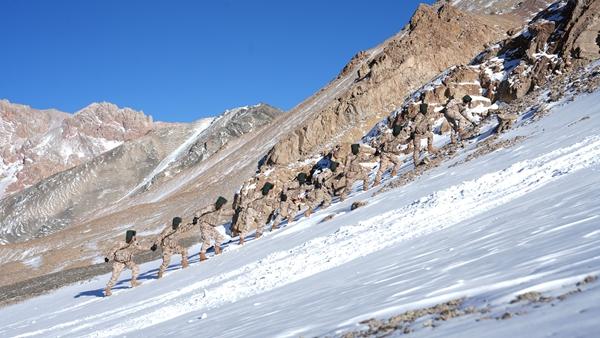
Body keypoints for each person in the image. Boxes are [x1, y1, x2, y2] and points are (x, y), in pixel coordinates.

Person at [103, 230, 147, 296]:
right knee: (115, 276)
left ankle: (133, 282)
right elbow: (113, 249)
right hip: (119, 262)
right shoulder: (121, 243)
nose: (135, 237)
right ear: (130, 236)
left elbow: (140, 247)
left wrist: (150, 248)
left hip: (127, 260)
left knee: (135, 268)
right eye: (133, 236)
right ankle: (108, 289)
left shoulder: (134, 243)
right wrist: (108, 257)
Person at [193, 196, 234, 261]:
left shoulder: (220, 210)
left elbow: (227, 212)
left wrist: (236, 211)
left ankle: (217, 250)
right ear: (220, 203)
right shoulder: (211, 207)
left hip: (211, 226)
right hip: (204, 224)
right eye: (223, 204)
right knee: (207, 240)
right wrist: (196, 217)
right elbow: (202, 211)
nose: (223, 206)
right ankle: (202, 255)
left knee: (219, 237)